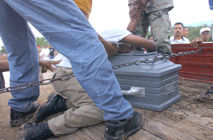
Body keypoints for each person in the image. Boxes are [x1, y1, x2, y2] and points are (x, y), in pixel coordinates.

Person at [0, 1, 142, 140]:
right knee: (99, 108)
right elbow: (77, 30)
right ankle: (120, 117)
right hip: (69, 74)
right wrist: (111, 47)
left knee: (19, 45)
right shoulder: (119, 32)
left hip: (61, 73)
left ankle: (21, 108)